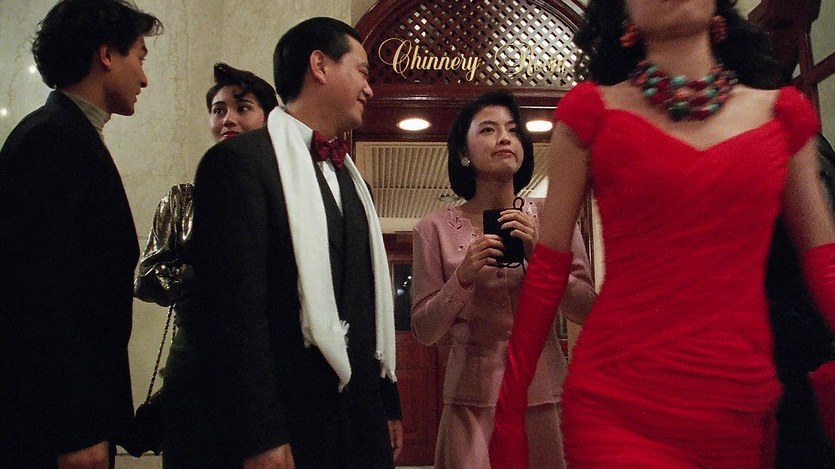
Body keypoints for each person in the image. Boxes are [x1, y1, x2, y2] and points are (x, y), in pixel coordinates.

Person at [488, 1, 835, 468]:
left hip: (739, 406)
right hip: (616, 403)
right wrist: (508, 414)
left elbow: (825, 266)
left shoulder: (782, 115)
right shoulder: (591, 112)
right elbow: (548, 273)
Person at [161, 17, 403, 469]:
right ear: (320, 66)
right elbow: (233, 313)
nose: (370, 89)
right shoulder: (237, 164)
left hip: (358, 424)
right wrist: (260, 435)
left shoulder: (356, 183)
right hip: (290, 426)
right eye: (362, 71)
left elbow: (368, 303)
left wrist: (387, 404)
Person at [0, 1, 162, 468]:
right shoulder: (52, 139)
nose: (145, 79)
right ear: (106, 55)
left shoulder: (68, 133)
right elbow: (40, 300)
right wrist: (78, 429)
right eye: (140, 57)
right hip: (57, 429)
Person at [411, 90, 595, 469]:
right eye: (488, 130)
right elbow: (424, 331)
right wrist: (462, 277)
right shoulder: (433, 229)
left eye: (513, 130)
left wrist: (542, 258)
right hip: (470, 404)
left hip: (544, 396)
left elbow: (587, 311)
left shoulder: (554, 216)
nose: (504, 138)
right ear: (463, 152)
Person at [134, 62, 278, 310]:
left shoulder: (284, 194)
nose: (228, 119)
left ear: (269, 118)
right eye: (218, 111)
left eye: (243, 108)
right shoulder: (182, 199)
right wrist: (202, 273)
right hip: (197, 331)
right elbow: (146, 279)